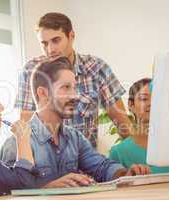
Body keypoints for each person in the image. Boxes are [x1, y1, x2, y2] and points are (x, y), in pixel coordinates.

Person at [0, 57, 150, 188]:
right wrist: (46, 188)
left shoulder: (75, 138)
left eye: (75, 87)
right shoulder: (15, 144)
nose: (75, 95)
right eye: (66, 87)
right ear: (43, 93)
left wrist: (126, 173)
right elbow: (7, 194)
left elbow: (102, 167)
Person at [14, 12, 135, 148]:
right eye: (44, 43)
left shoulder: (97, 68)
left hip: (85, 163)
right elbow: (25, 125)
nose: (50, 49)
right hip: (45, 162)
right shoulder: (31, 71)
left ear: (71, 36)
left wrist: (139, 158)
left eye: (56, 40)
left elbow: (122, 123)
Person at [109, 78, 169, 180]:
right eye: (144, 99)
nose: (151, 104)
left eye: (157, 99)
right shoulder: (118, 153)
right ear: (131, 105)